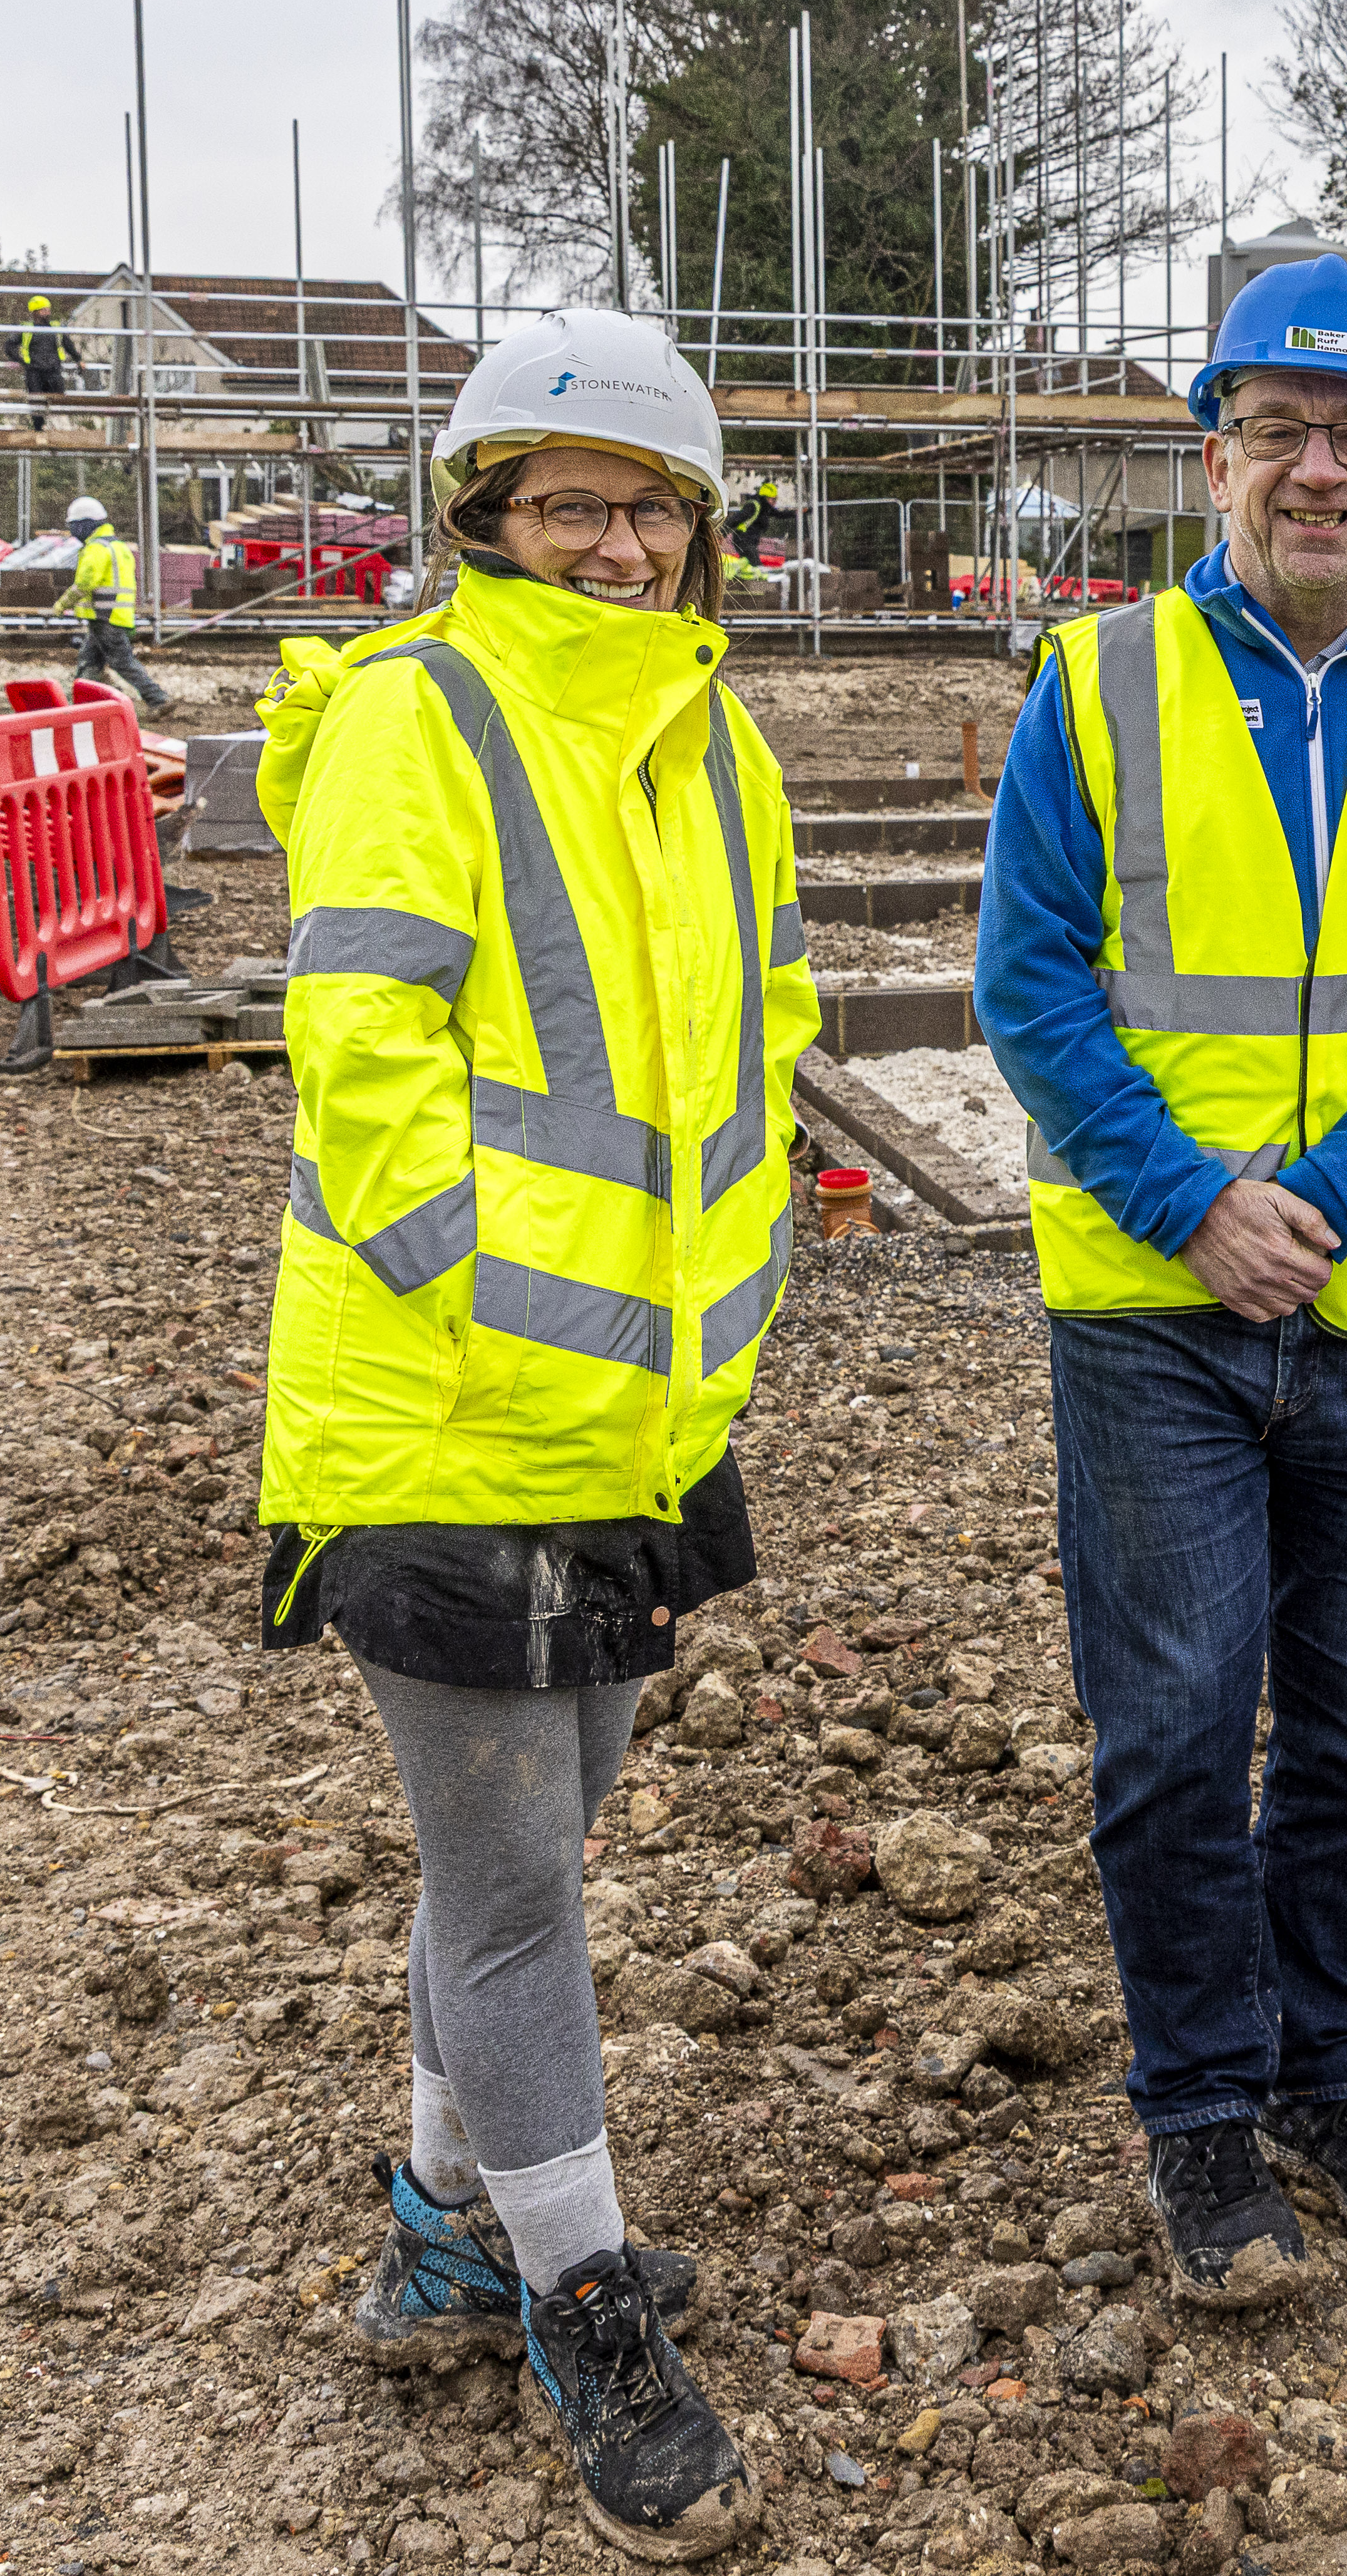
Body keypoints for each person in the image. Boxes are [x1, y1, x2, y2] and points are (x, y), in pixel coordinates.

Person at [254, 307, 817, 2557]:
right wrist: (474, 1294)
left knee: (550, 1825)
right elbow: (364, 1039)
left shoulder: (711, 741)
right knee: (509, 1887)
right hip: (451, 1406)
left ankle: (433, 2224)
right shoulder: (423, 707)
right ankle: (580, 2292)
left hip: (638, 1415)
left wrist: (730, 1294)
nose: (610, 539)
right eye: (565, 499)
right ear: (479, 512)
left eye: (647, 501)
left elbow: (757, 1019)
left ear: (700, 533)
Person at [976, 254, 1347, 2309]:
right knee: (1167, 1731)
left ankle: (1335, 2071)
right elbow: (1030, 987)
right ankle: (1202, 2114)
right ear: (1214, 450)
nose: (1318, 471)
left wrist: (1309, 1194)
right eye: (1280, 431)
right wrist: (1187, 1202)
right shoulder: (1100, 683)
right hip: (1157, 1318)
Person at [66, 495, 175, 714]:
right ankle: (81, 708)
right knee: (89, 662)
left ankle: (158, 699)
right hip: (113, 616)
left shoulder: (97, 549)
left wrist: (62, 604)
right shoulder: (119, 547)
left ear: (85, 525)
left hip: (106, 618)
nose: (72, 532)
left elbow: (86, 583)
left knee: (122, 662)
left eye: (74, 526)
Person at [14, 289, 76, 428]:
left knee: (57, 395)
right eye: (44, 310)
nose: (48, 312)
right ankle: (38, 429)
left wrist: (78, 359)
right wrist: (21, 361)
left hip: (53, 369)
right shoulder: (27, 329)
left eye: (48, 309)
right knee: (36, 402)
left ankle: (48, 423)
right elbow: (9, 346)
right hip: (34, 371)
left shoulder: (56, 327)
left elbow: (68, 344)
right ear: (36, 312)